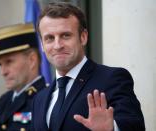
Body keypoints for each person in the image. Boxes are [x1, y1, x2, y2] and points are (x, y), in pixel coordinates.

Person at [31, 2, 145, 131]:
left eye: (66, 35)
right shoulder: (39, 99)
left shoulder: (112, 79)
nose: (57, 45)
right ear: (42, 45)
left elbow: (135, 126)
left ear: (83, 37)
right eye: (50, 38)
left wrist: (111, 128)